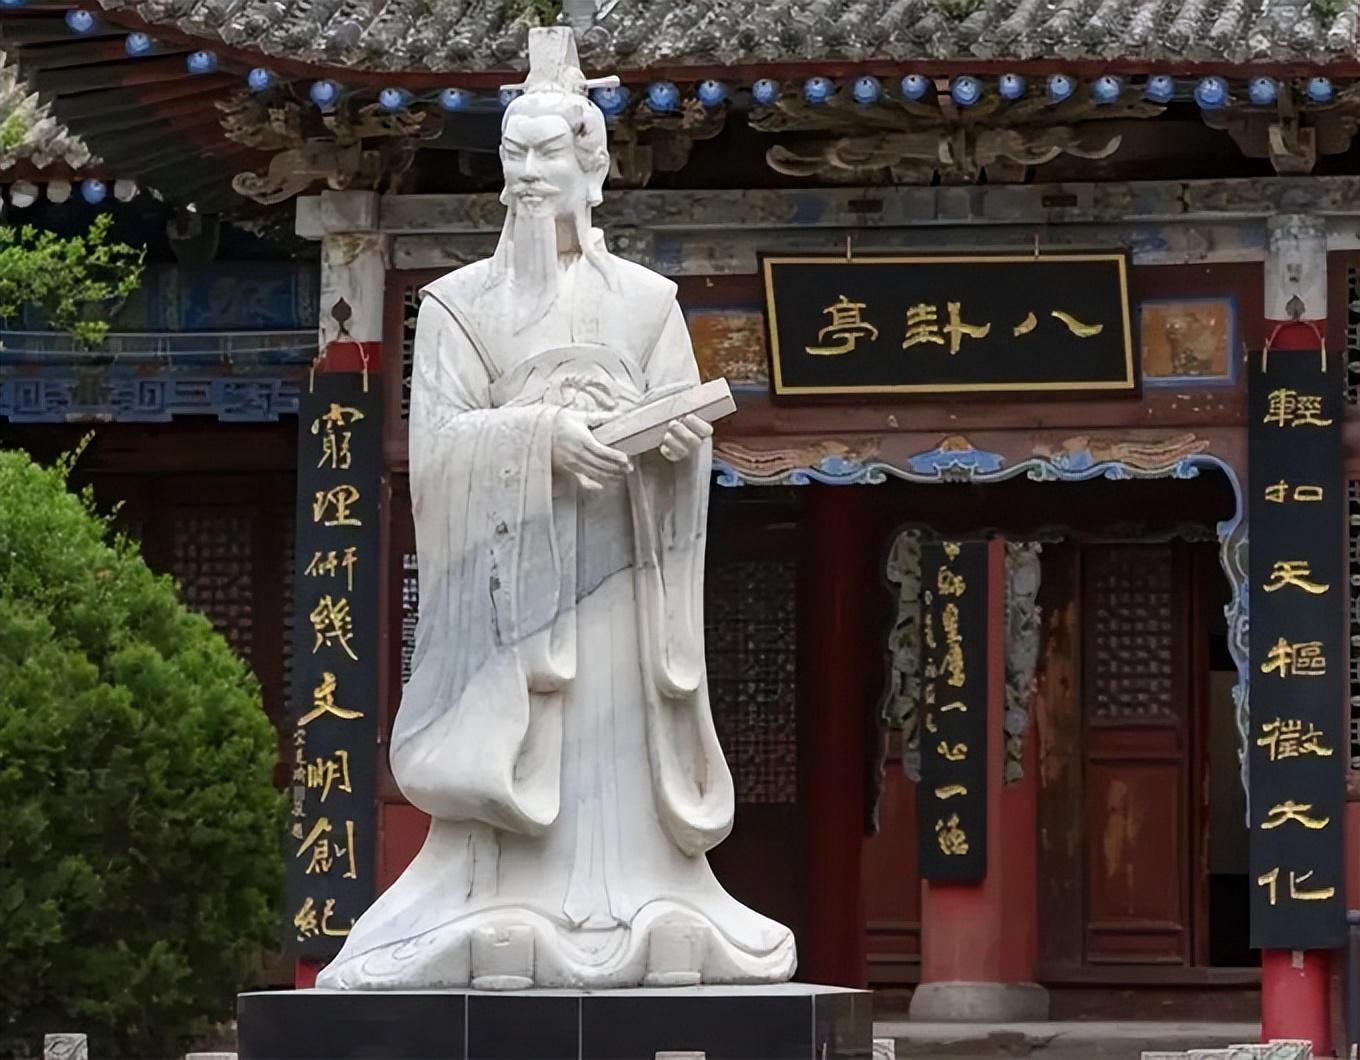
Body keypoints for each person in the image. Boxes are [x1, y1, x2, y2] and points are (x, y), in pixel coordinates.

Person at [316, 28, 795, 991]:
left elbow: (687, 428)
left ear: (593, 171)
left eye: (549, 155)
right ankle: (496, 900)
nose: (531, 175)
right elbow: (437, 450)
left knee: (618, 749)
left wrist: (670, 448)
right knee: (531, 757)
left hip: (619, 571)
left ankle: (646, 896)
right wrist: (541, 438)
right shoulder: (457, 306)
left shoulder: (648, 303)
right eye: (515, 156)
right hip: (518, 596)